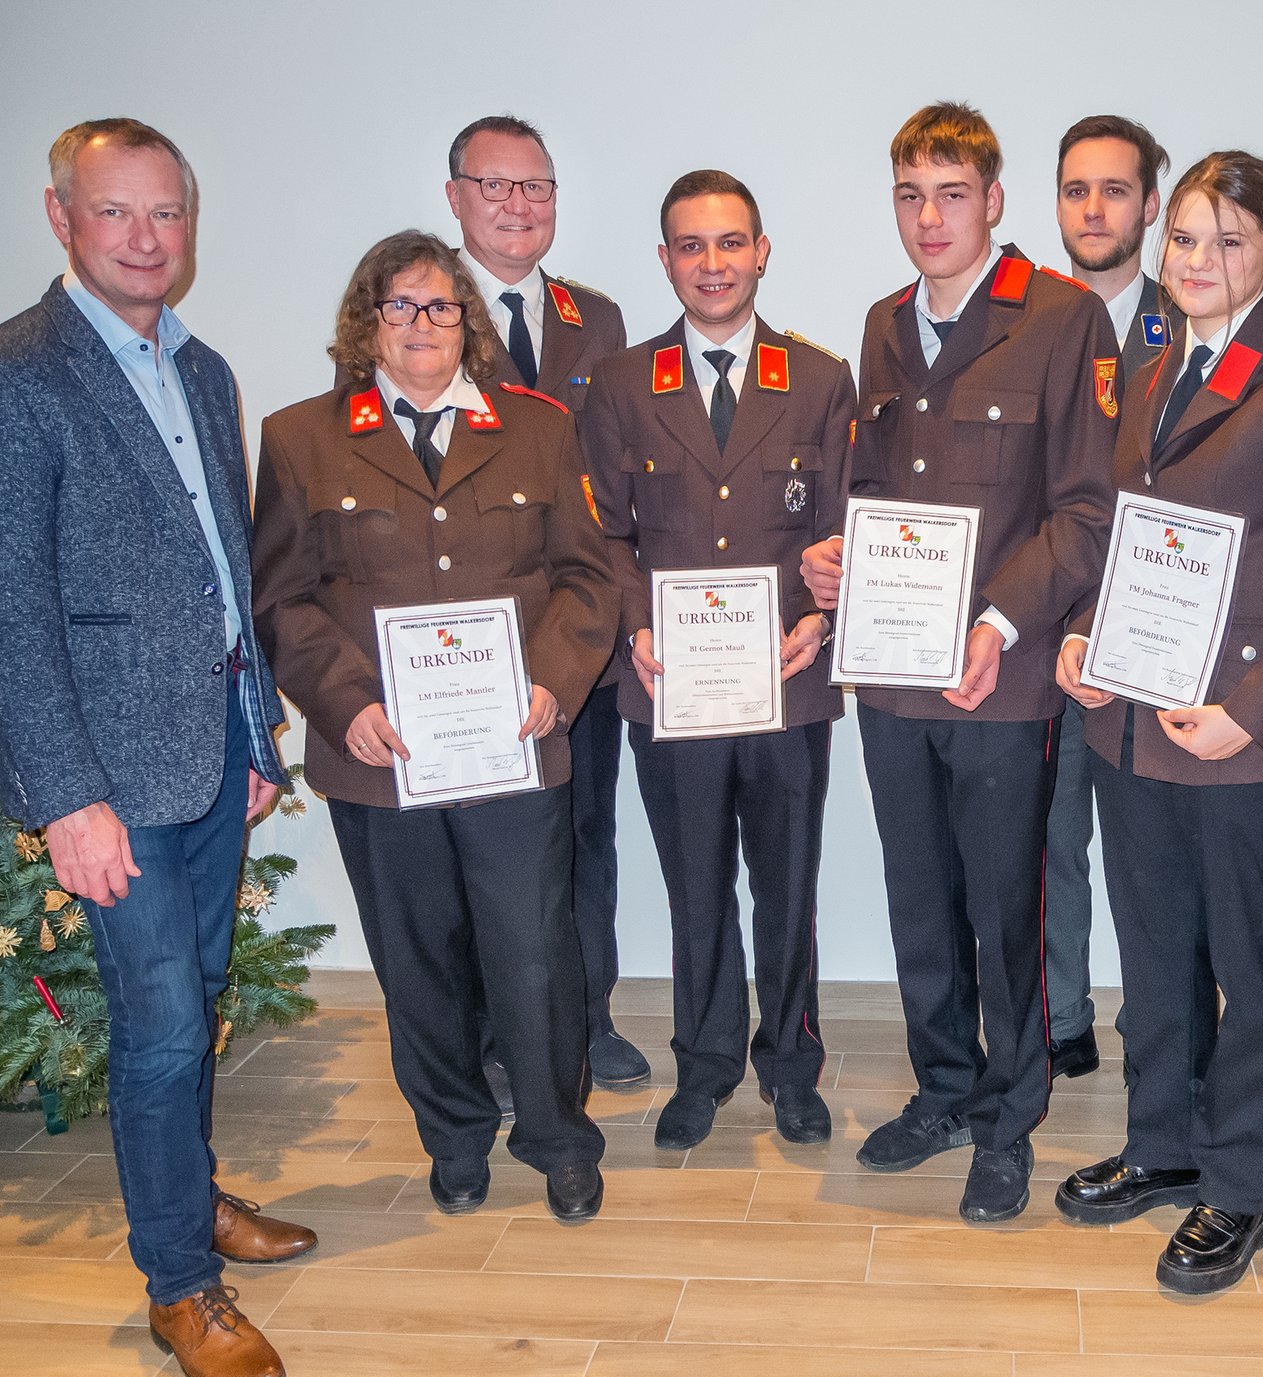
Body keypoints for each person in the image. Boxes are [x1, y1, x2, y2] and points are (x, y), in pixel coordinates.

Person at [0, 118, 312, 1377]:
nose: (146, 239)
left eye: (166, 213)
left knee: (195, 996)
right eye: (115, 212)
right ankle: (179, 1285)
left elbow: (222, 572)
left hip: (208, 750)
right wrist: (67, 798)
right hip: (108, 776)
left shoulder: (201, 368)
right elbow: (1, 612)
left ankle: (192, 1198)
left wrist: (254, 730)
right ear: (61, 217)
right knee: (158, 1026)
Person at [1052, 152, 1263, 1296]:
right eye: (1185, 239)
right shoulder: (1152, 366)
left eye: (1230, 241)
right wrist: (1084, 634)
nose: (1200, 261)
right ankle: (1164, 1143)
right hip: (1136, 724)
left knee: (1254, 971)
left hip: (1252, 741)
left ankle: (1240, 1186)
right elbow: (1128, 534)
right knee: (1155, 957)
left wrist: (1251, 714)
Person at [251, 230, 615, 1230]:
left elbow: (587, 579)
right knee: (419, 960)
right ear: (366, 321)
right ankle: (455, 1137)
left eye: (442, 306)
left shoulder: (537, 429)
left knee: (534, 951)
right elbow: (281, 599)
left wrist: (553, 682)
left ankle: (557, 1137)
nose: (423, 324)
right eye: (401, 306)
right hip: (380, 759)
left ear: (468, 321)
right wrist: (345, 705)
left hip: (514, 748)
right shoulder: (300, 438)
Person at [801, 102, 1119, 1223]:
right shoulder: (884, 324)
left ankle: (1008, 1117)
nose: (928, 218)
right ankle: (942, 1086)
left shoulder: (1065, 318)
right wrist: (837, 550)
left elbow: (1086, 511)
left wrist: (998, 622)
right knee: (919, 896)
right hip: (894, 676)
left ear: (993, 201)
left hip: (1002, 677)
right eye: (909, 195)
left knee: (1005, 907)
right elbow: (873, 486)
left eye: (950, 195)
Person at [579, 170, 855, 1150]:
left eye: (730, 243)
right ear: (665, 260)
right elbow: (602, 536)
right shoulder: (620, 385)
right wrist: (634, 627)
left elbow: (840, 528)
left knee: (788, 888)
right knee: (695, 888)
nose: (712, 264)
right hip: (672, 688)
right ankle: (703, 1067)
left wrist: (821, 620)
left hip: (788, 680)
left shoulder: (819, 379)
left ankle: (792, 1066)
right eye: (691, 246)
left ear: (761, 252)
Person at [443, 114, 647, 1090]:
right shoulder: (419, 311)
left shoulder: (593, 319)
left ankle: (585, 1017)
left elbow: (611, 478)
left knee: (584, 834)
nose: (517, 205)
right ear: (455, 198)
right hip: (467, 644)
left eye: (535, 187)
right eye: (495, 185)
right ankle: (492, 1034)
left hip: (578, 637)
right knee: (481, 851)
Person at [1044, 114, 1172, 1082]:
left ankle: (1165, 1030)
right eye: (1076, 190)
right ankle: (1060, 1016)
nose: (1093, 210)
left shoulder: (1199, 321)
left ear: (1151, 205)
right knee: (1047, 840)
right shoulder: (1027, 324)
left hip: (1158, 638)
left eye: (1115, 190)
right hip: (1047, 630)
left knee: (1154, 857)